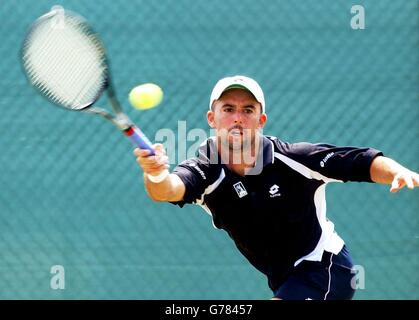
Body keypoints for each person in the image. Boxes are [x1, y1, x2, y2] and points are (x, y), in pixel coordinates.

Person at [133, 75, 419, 300]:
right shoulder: (206, 171)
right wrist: (156, 174)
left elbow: (358, 162)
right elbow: (169, 190)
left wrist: (397, 171)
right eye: (228, 109)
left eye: (248, 110)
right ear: (212, 118)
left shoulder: (294, 159)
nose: (237, 118)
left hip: (325, 269)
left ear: (261, 120)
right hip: (283, 281)